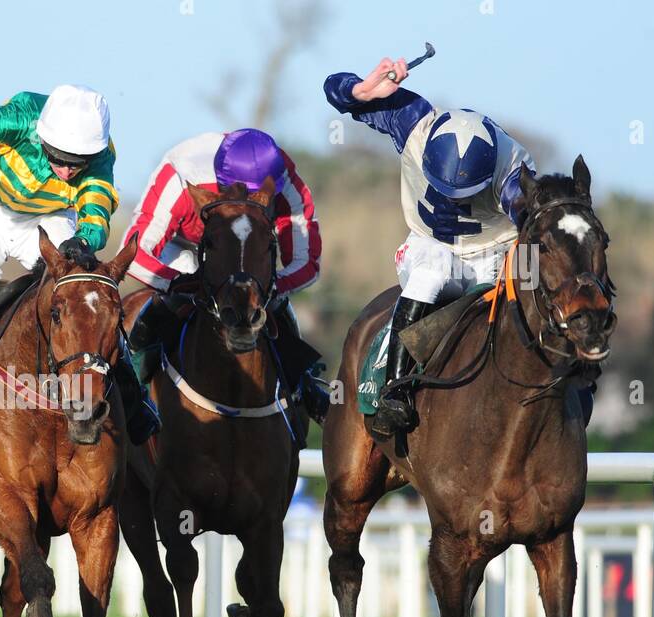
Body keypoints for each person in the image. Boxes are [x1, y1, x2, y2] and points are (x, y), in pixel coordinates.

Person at [0, 85, 158, 442]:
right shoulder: (15, 118)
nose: (69, 172)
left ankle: (133, 399)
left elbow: (97, 210)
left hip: (47, 218)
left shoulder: (100, 153)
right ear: (42, 139)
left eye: (78, 163)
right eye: (60, 158)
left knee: (83, 296)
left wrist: (84, 239)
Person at [325, 57, 534, 439]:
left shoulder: (513, 169)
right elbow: (333, 89)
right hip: (426, 246)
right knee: (433, 269)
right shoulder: (414, 122)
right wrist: (360, 92)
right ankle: (395, 390)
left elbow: (533, 227)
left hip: (490, 259)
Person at [121, 128, 327, 419]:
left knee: (278, 304)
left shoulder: (283, 177)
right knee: (168, 300)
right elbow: (134, 252)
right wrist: (179, 283)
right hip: (182, 249)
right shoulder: (181, 175)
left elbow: (307, 262)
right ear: (222, 184)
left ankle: (304, 384)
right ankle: (132, 386)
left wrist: (269, 289)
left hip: (246, 252)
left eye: (260, 199)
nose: (252, 204)